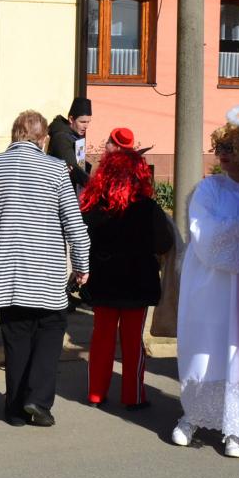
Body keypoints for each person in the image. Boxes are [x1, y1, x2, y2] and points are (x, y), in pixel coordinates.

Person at [0, 110, 90, 427]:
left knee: (16, 338)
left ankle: (15, 409)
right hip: (46, 274)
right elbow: (75, 225)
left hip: (6, 271)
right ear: (43, 139)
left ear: (14, 135)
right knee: (49, 333)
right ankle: (39, 400)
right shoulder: (56, 169)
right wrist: (82, 266)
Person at [172, 106, 239, 458]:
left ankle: (236, 427)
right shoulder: (210, 188)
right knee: (207, 348)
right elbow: (204, 233)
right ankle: (193, 415)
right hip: (212, 282)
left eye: (232, 148)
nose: (224, 155)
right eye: (221, 148)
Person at [79, 148, 174, 410]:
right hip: (137, 282)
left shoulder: (94, 206)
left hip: (104, 281)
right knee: (133, 343)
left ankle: (96, 393)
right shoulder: (148, 208)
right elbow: (164, 244)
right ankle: (133, 395)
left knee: (102, 339)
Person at [48, 96, 93, 194]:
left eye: (88, 122)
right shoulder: (61, 138)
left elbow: (81, 165)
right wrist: (94, 186)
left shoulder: (76, 135)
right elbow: (74, 169)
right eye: (82, 122)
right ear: (71, 119)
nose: (86, 126)